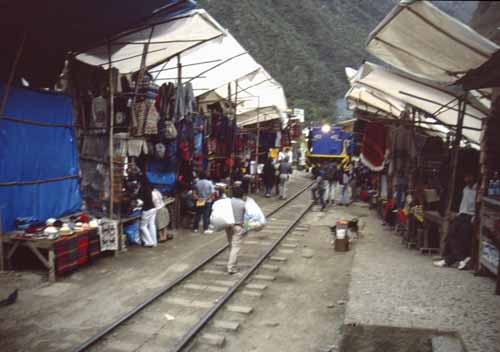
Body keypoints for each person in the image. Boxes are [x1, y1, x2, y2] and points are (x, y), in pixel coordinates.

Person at [434, 175, 477, 269]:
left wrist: (475, 216)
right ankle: (463, 259)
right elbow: (463, 204)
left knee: (463, 240)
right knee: (450, 236)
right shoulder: (465, 189)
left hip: (470, 217)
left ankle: (448, 260)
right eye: (466, 177)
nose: (466, 179)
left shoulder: (478, 189)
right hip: (461, 215)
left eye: (469, 177)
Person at [226, 187, 246, 274]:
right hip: (238, 227)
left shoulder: (228, 202)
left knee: (231, 245)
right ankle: (231, 267)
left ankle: (234, 264)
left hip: (228, 225)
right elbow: (247, 217)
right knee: (235, 247)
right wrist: (246, 228)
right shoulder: (243, 204)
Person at [138, 177, 158, 247]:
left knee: (143, 226)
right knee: (152, 224)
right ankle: (154, 241)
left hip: (147, 209)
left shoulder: (142, 189)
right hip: (153, 208)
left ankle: (149, 242)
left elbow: (140, 201)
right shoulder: (150, 187)